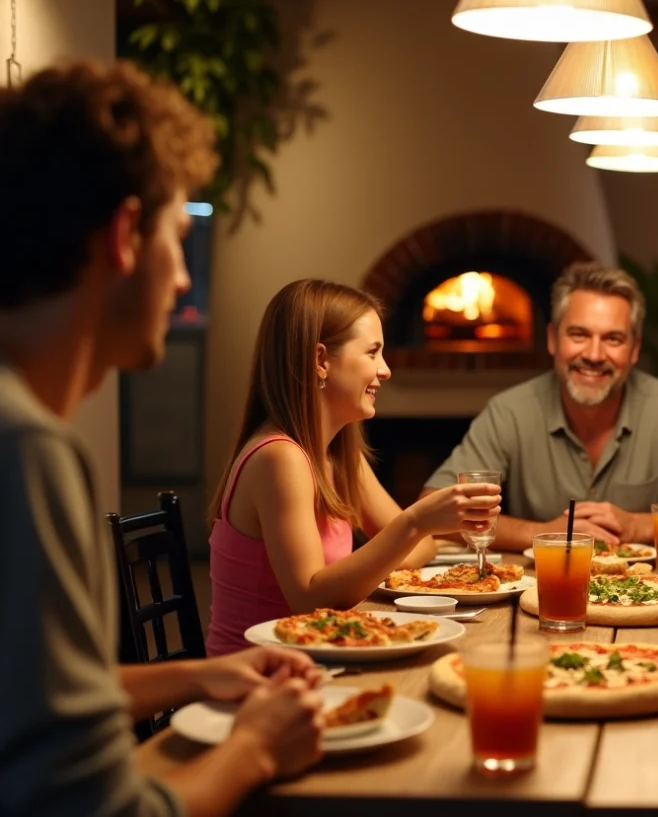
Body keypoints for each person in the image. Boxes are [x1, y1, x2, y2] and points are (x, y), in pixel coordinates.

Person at [0, 59, 323, 816]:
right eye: (179, 238)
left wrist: (194, 676)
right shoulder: (26, 451)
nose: (182, 279)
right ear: (124, 235)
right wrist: (257, 746)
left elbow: (27, 697)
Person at [205, 279, 501, 656]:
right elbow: (309, 601)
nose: (386, 370)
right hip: (259, 680)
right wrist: (415, 522)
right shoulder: (279, 458)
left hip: (320, 659)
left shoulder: (340, 455)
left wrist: (418, 531)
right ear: (321, 360)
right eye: (373, 353)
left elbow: (414, 550)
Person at [423, 262, 658, 550]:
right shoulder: (509, 412)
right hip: (534, 593)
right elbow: (431, 506)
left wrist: (639, 525)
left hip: (649, 590)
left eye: (613, 339)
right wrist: (544, 533)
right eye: (579, 334)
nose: (593, 354)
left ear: (634, 350)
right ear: (552, 339)